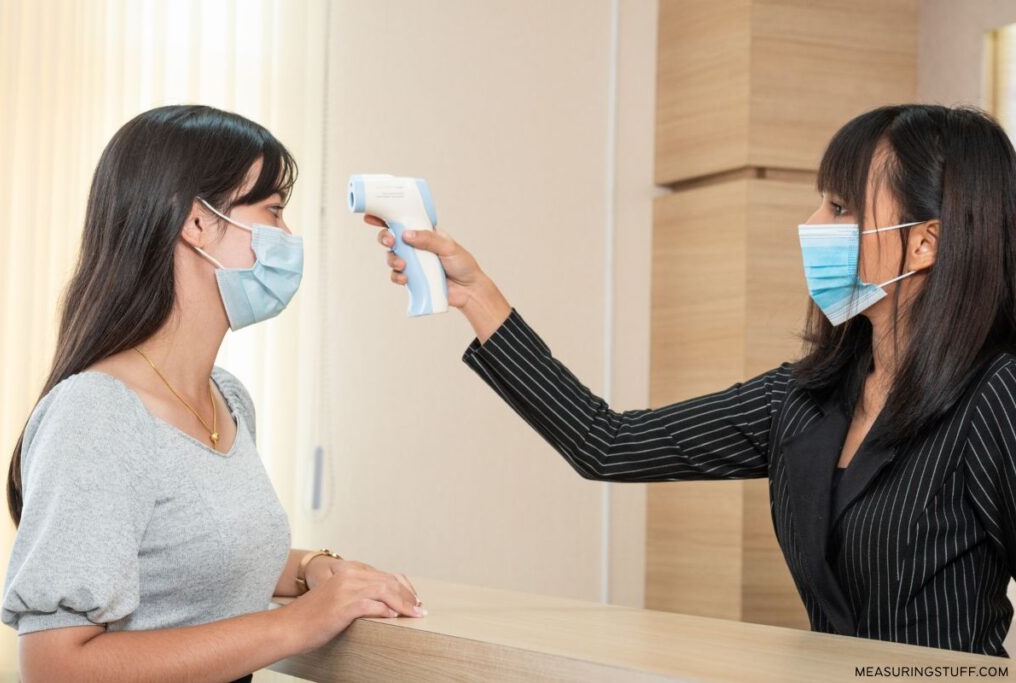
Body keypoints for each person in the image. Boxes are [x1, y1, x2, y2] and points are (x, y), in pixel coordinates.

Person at [365, 103, 1016, 657]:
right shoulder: (806, 398)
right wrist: (476, 295)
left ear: (925, 242)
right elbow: (608, 442)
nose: (813, 226)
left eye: (840, 207)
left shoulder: (996, 396)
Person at [1, 105, 425, 683]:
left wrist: (314, 571)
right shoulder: (97, 413)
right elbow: (55, 667)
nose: (287, 237)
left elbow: (188, 557)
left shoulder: (226, 398)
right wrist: (297, 624)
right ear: (197, 223)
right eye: (273, 210)